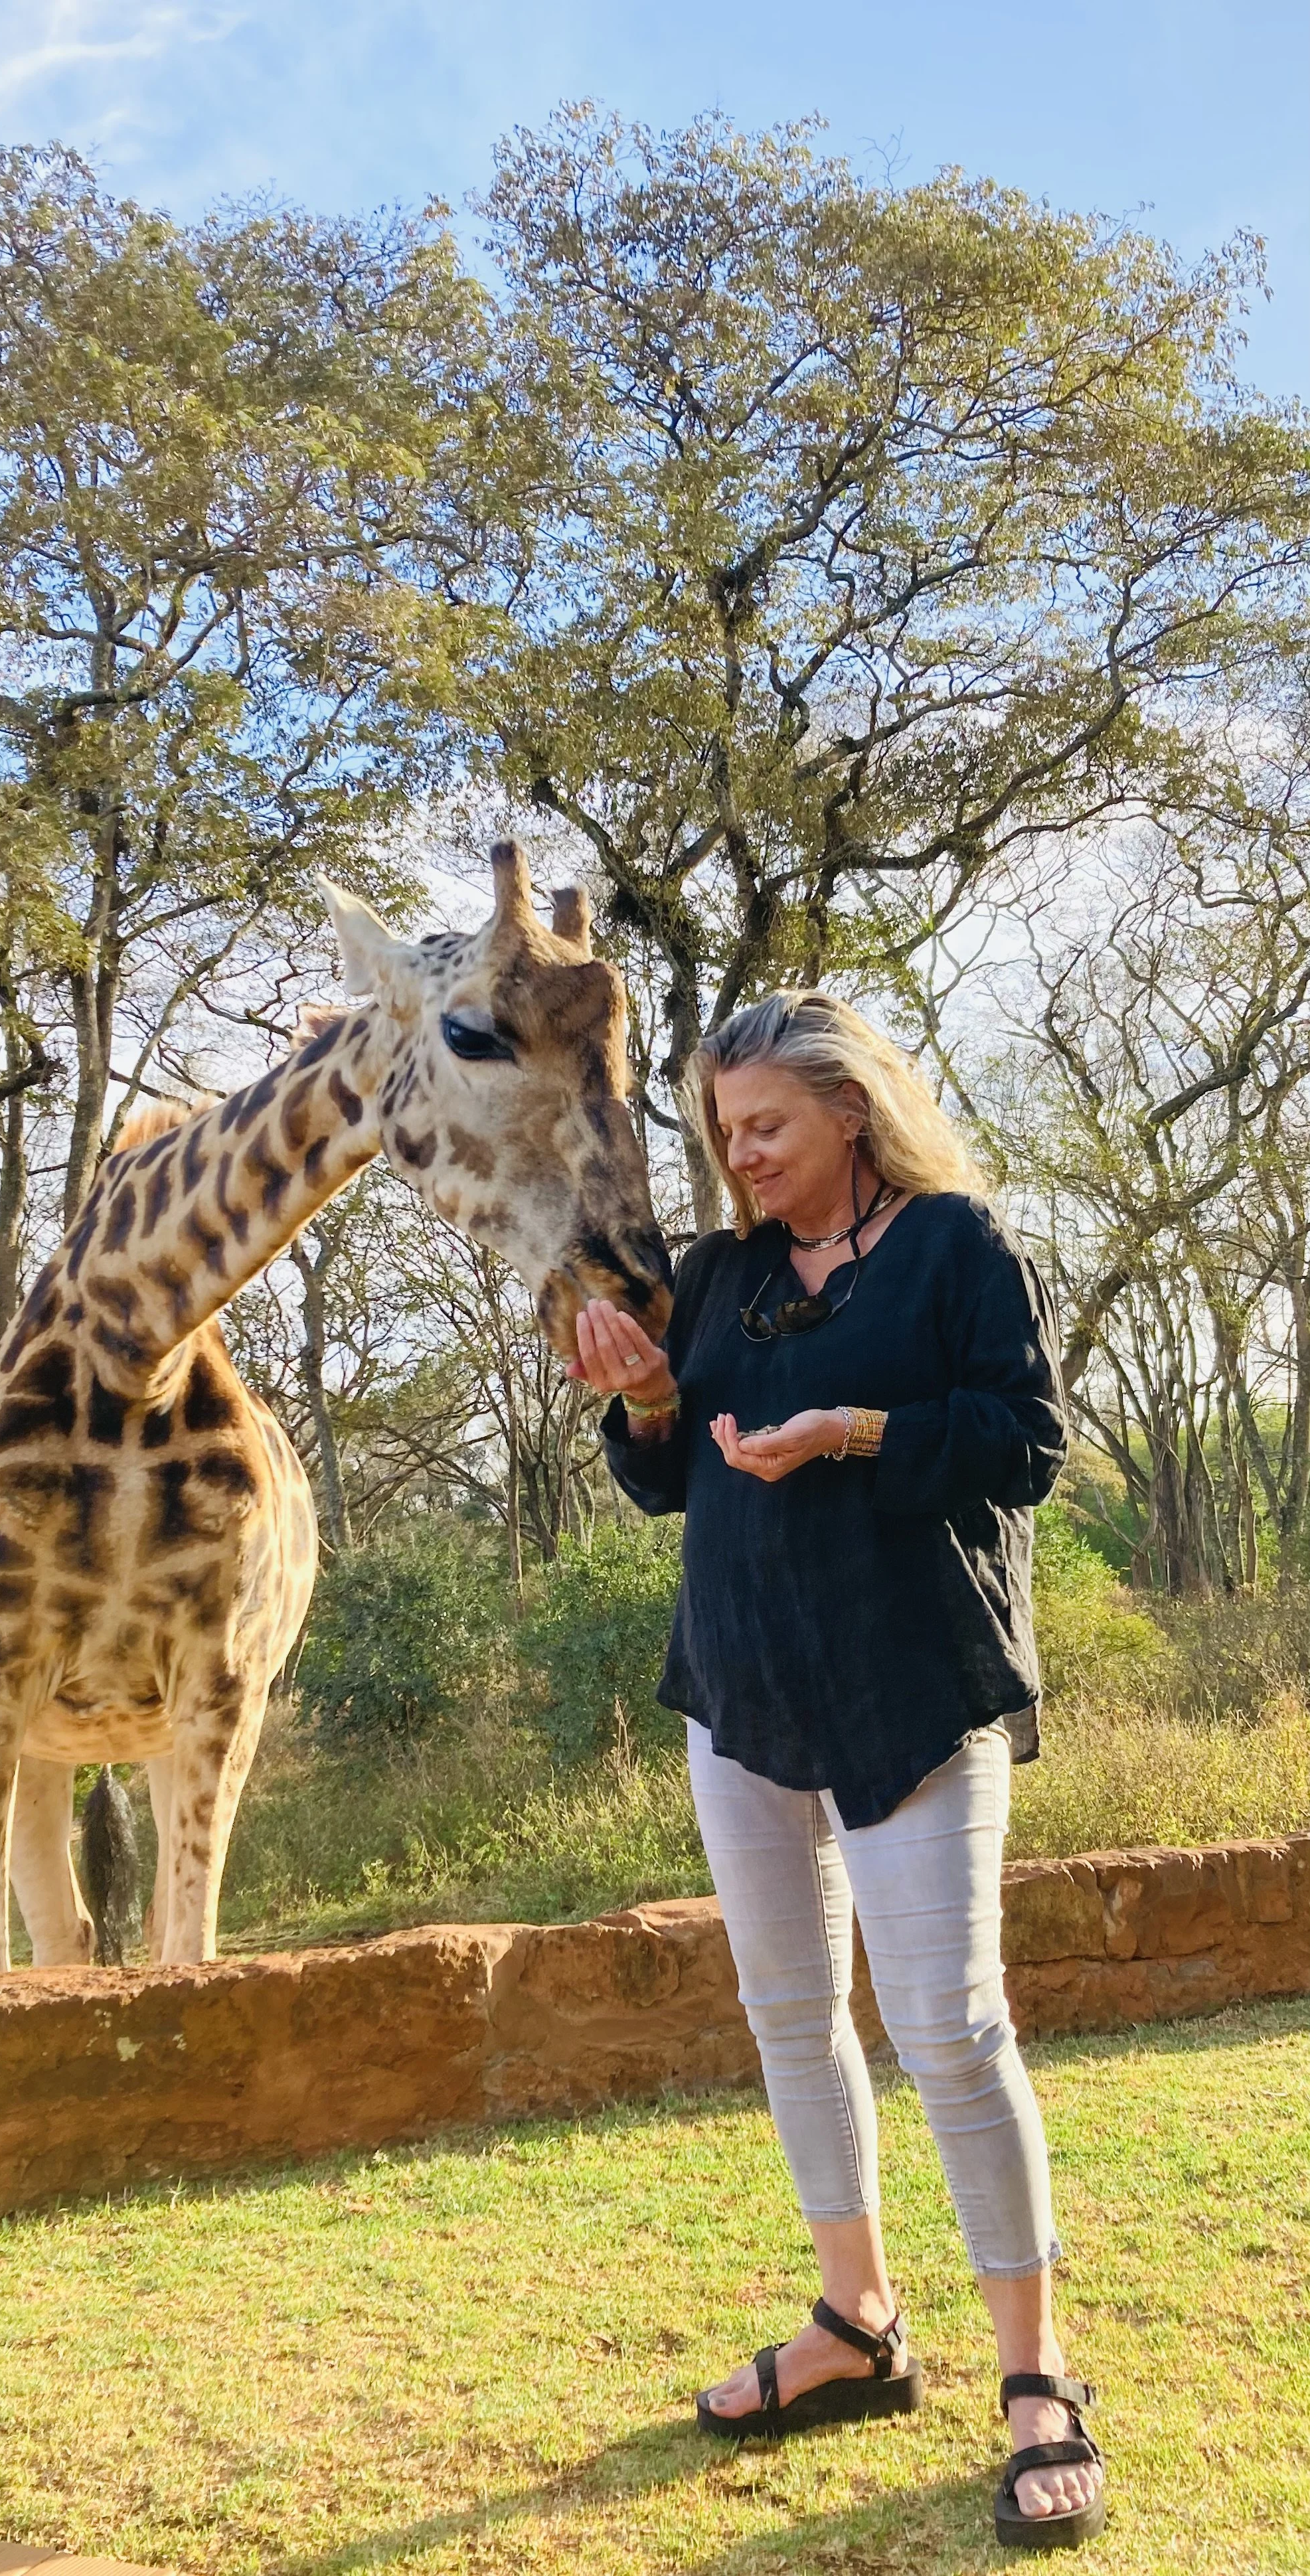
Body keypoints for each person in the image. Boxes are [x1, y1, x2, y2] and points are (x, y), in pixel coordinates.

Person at [572, 991, 1107, 2553]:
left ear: (849, 1114)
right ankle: (856, 2321)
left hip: (910, 1692)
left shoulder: (959, 1247)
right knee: (790, 2019)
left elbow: (1025, 1439)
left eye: (766, 1129)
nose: (738, 1159)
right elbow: (663, 1478)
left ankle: (1036, 2378)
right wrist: (646, 1385)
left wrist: (853, 1429)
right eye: (723, 1132)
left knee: (947, 2026)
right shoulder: (723, 1274)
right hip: (738, 1690)